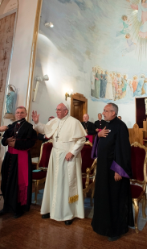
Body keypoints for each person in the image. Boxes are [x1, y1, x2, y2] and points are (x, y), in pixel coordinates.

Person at [32, 103, 86, 225]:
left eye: (59, 110)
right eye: (56, 109)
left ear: (66, 111)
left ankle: (68, 214)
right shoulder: (55, 121)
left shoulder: (74, 122)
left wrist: (72, 152)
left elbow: (82, 140)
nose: (57, 112)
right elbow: (45, 130)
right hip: (55, 155)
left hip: (68, 156)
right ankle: (51, 209)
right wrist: (36, 123)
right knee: (54, 182)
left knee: (66, 184)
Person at [91, 103, 134, 241]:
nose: (103, 113)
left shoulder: (120, 126)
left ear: (113, 113)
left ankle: (116, 229)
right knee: (104, 197)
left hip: (113, 170)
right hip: (103, 169)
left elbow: (123, 150)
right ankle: (102, 226)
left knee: (114, 199)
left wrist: (119, 170)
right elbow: (100, 143)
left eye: (106, 111)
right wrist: (98, 135)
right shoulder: (106, 124)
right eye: (103, 110)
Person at [0, 106, 37, 218]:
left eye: (21, 112)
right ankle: (6, 206)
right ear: (15, 114)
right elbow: (3, 140)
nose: (19, 114)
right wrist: (6, 140)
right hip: (9, 157)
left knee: (18, 183)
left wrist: (16, 144)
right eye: (17, 112)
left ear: (25, 114)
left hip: (21, 158)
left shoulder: (29, 127)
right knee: (6, 181)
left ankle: (18, 208)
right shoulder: (10, 126)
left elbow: (31, 143)